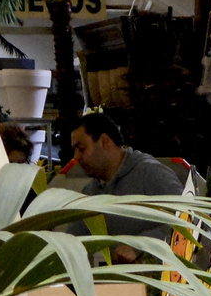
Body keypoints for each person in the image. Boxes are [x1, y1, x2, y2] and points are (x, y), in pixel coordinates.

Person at [70, 111, 184, 261]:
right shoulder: (90, 193)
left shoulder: (150, 174)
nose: (76, 157)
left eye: (81, 148)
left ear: (105, 142)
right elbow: (73, 239)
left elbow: (185, 221)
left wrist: (138, 246)